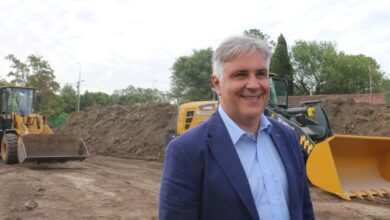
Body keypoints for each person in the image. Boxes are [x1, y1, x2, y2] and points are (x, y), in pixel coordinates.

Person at [159, 36, 315, 220]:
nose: (254, 85)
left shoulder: (287, 137)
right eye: (240, 74)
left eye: (260, 74)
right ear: (217, 84)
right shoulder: (186, 151)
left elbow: (304, 211)